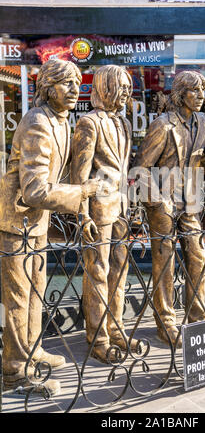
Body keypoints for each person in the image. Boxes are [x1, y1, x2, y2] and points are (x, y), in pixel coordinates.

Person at [0, 59, 100, 393]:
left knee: (35, 290)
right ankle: (15, 371)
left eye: (76, 82)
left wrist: (81, 212)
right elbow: (35, 190)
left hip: (36, 223)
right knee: (18, 297)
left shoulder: (60, 121)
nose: (75, 89)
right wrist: (83, 192)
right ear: (47, 87)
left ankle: (32, 350)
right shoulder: (37, 122)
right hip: (16, 222)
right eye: (66, 83)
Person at [133, 70, 205, 347]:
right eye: (194, 91)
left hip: (192, 202)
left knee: (197, 256)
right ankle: (166, 320)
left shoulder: (203, 122)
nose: (200, 96)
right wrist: (158, 201)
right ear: (180, 93)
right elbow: (140, 168)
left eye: (202, 91)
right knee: (165, 262)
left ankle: (196, 315)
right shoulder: (163, 124)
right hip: (164, 202)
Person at [70, 65, 138, 364]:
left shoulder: (123, 123)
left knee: (119, 274)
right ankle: (98, 339)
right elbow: (78, 175)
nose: (127, 92)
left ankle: (117, 327)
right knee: (97, 273)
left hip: (121, 207)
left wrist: (131, 204)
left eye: (128, 87)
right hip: (98, 210)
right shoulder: (88, 123)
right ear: (106, 86)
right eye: (121, 86)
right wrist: (82, 216)